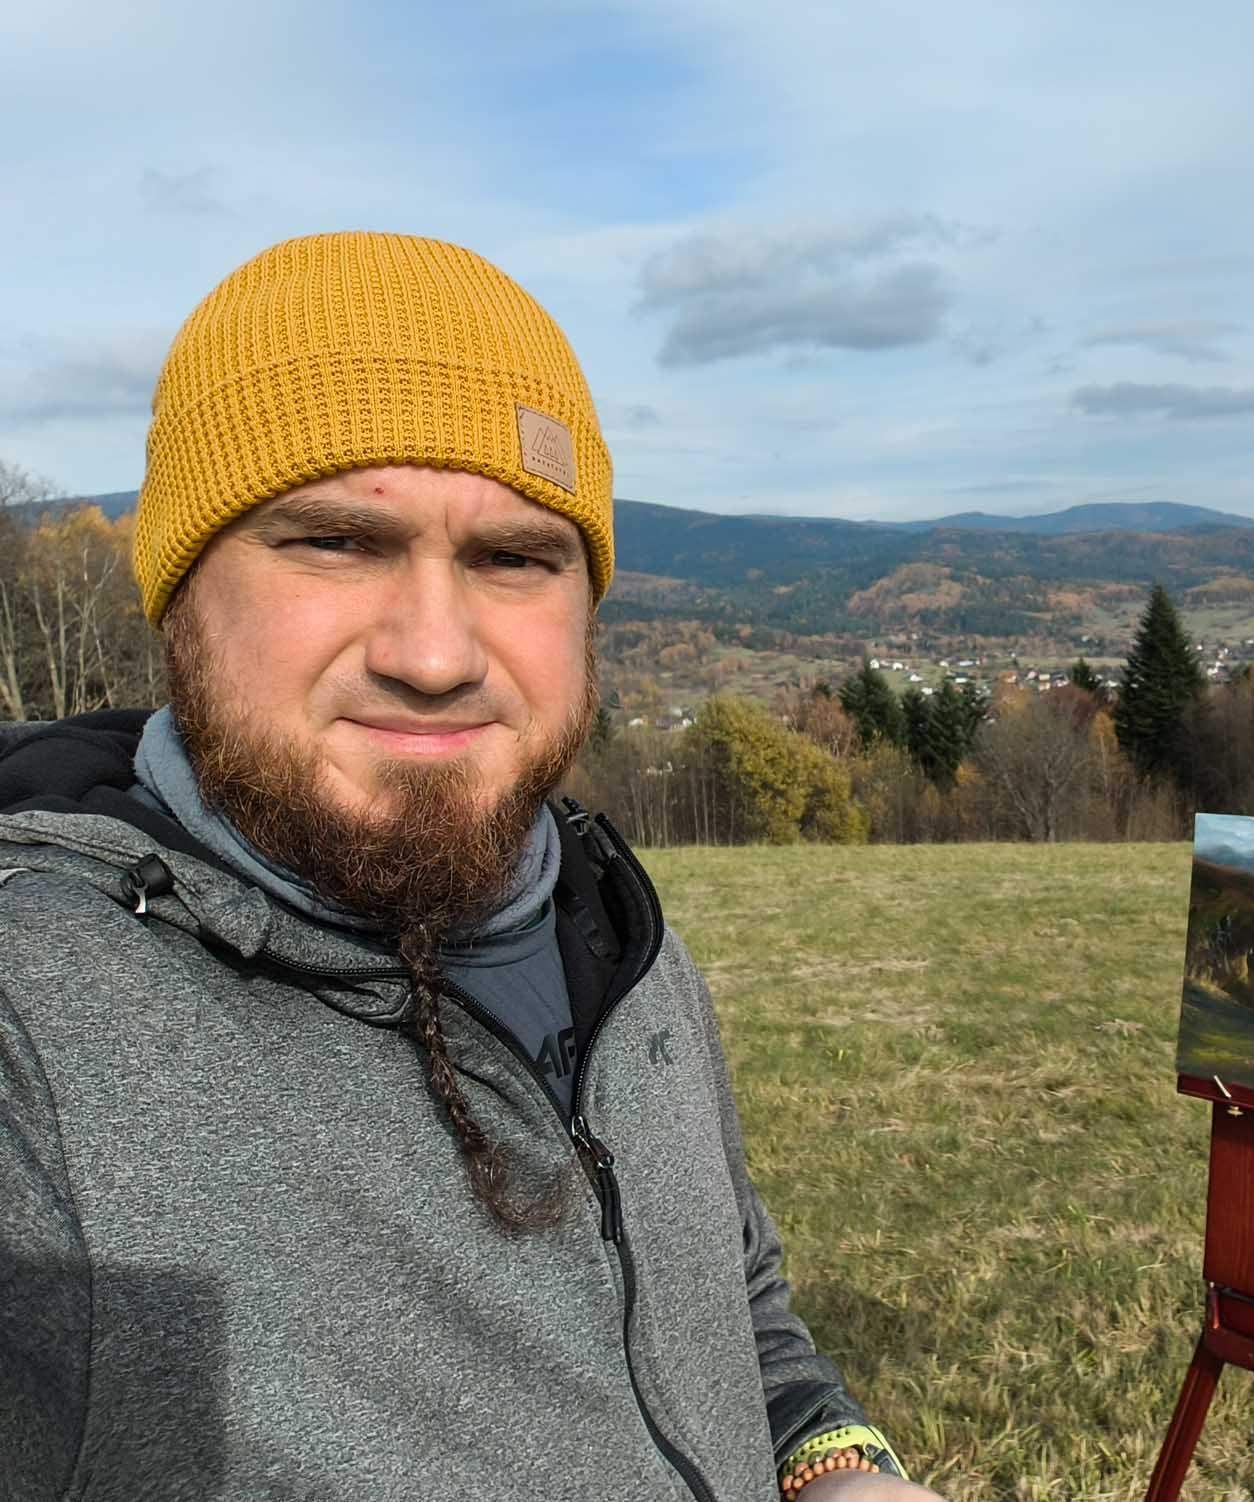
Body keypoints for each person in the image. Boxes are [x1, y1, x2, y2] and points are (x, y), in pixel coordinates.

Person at [0, 232, 941, 1502]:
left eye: (513, 558)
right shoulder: (39, 1023)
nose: (435, 654)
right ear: (180, 595)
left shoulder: (608, 934)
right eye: (336, 541)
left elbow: (737, 1310)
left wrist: (836, 1466)